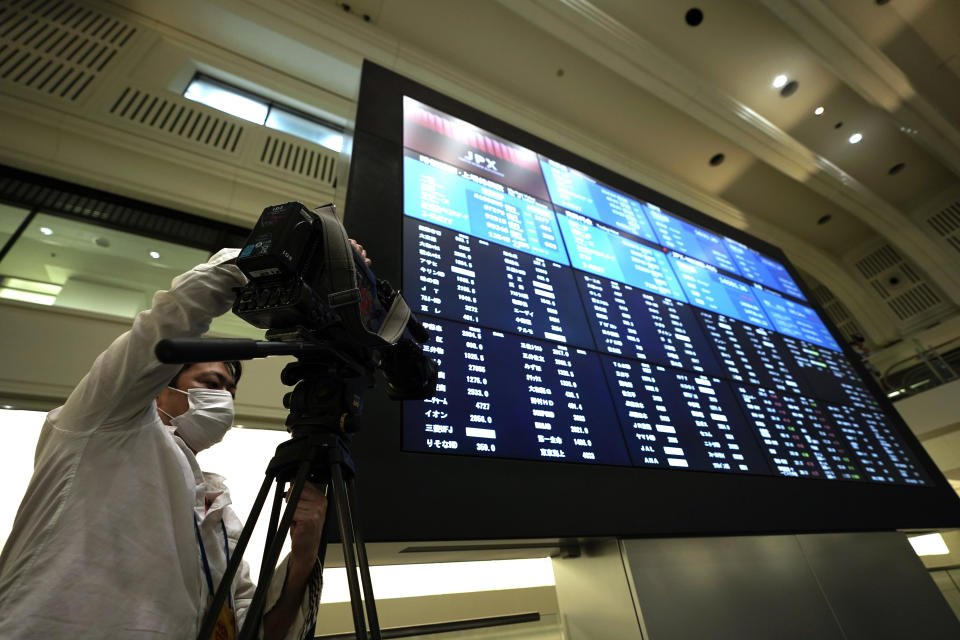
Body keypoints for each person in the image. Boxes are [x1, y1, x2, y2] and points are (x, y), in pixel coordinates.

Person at [0, 241, 367, 638]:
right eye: (211, 383)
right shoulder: (105, 425)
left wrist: (302, 560)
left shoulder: (220, 517)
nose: (222, 399)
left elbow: (254, 632)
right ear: (160, 388)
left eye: (229, 390)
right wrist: (281, 257)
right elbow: (170, 320)